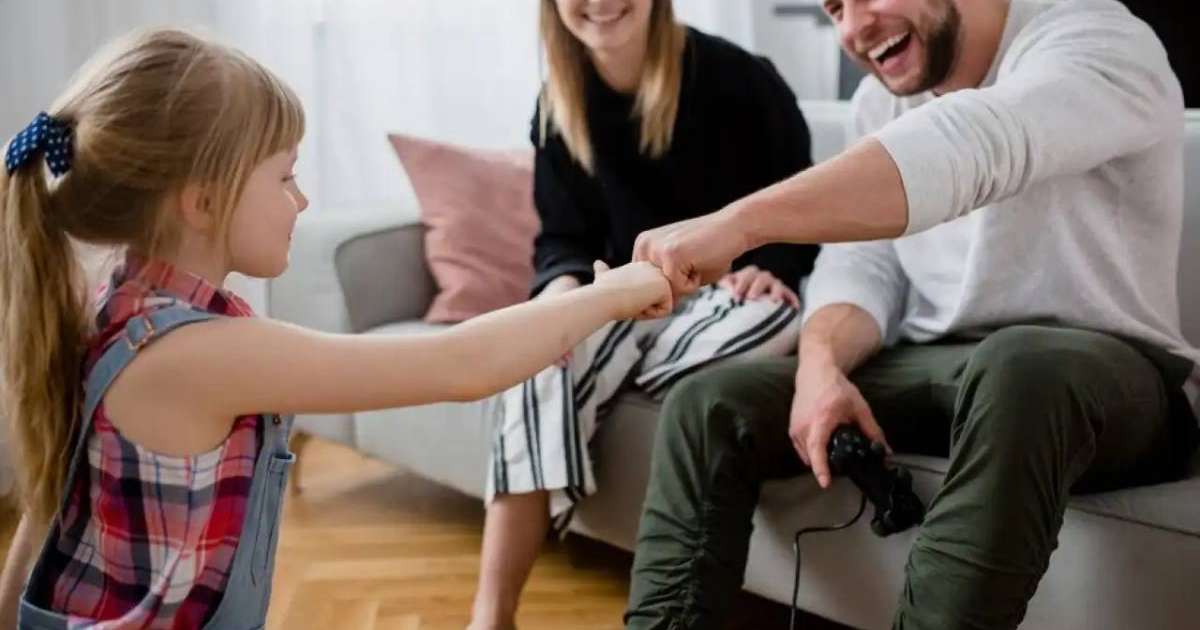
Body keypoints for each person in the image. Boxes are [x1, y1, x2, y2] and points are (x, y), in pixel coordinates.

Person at [0, 27, 671, 629]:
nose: (303, 198)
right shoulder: (198, 353)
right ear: (203, 202)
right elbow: (460, 366)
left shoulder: (117, 303)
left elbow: (47, 512)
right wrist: (605, 296)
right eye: (285, 175)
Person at [625, 0, 1200, 628]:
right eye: (834, 8)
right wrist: (819, 367)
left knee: (1019, 367)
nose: (850, 29)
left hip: (1106, 377)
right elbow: (865, 267)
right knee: (711, 401)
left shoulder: (1097, 38)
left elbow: (978, 144)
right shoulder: (881, 103)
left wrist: (737, 224)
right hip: (941, 365)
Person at [469, 1, 821, 627]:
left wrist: (775, 266)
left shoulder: (740, 76)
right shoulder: (558, 107)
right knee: (537, 365)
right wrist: (560, 297)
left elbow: (806, 202)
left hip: (727, 301)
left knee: (773, 317)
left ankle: (602, 380)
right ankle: (491, 618)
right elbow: (562, 241)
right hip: (621, 296)